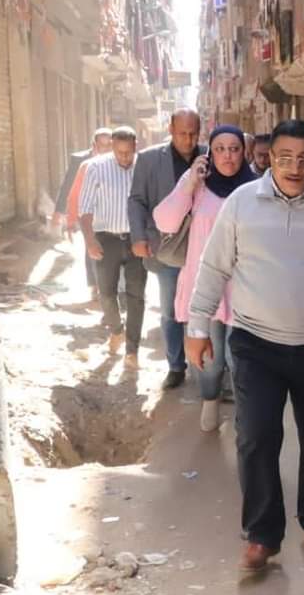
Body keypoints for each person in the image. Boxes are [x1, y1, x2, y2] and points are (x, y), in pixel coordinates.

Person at [185, 119, 304, 573]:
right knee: (256, 438)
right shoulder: (241, 203)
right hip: (255, 344)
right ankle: (261, 534)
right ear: (269, 158)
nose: (294, 168)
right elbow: (213, 268)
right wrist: (197, 326)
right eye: (285, 158)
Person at [154, 126, 255, 432]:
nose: (228, 156)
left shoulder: (255, 188)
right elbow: (165, 221)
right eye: (220, 149)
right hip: (204, 287)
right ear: (210, 153)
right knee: (210, 356)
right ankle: (210, 400)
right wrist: (189, 183)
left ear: (244, 152)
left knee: (241, 358)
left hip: (244, 288)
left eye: (234, 149)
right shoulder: (197, 184)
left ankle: (245, 417)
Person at [128, 108, 204, 390]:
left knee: (203, 310)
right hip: (165, 249)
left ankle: (205, 367)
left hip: (201, 250)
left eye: (193, 133)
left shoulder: (209, 156)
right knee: (171, 311)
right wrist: (138, 237)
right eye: (182, 133)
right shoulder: (149, 159)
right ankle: (175, 366)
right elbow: (136, 200)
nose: (188, 139)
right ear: (170, 130)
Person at [79, 126, 146, 368]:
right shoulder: (96, 167)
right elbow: (85, 208)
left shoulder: (143, 166)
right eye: (119, 152)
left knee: (136, 296)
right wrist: (90, 240)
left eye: (128, 152)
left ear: (136, 146)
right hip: (106, 239)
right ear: (113, 148)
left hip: (136, 240)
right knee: (106, 293)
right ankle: (117, 330)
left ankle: (132, 350)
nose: (124, 157)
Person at [55, 128, 112, 299]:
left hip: (110, 213)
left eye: (109, 145)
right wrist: (65, 216)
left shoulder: (118, 161)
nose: (106, 149)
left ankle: (108, 286)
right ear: (94, 145)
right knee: (91, 245)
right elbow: (69, 188)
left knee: (110, 248)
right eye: (102, 145)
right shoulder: (81, 161)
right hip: (87, 212)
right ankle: (94, 285)